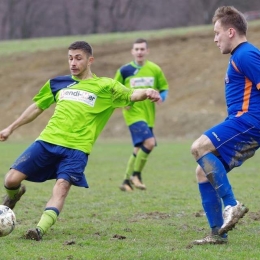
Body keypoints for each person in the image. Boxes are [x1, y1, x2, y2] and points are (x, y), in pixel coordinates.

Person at [0, 41, 160, 241]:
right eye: (70, 58)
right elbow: (36, 107)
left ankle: (38, 230)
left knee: (62, 186)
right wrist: (10, 128)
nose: (73, 63)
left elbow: (131, 95)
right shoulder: (57, 83)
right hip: (47, 141)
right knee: (11, 179)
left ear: (90, 60)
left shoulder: (106, 86)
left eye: (78, 58)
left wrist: (147, 92)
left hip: (77, 149)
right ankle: (13, 196)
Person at [191, 6, 260, 245]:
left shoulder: (245, 54)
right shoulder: (239, 56)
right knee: (202, 172)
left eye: (217, 32)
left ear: (231, 32)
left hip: (249, 122)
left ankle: (231, 205)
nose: (214, 38)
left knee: (199, 147)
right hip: (242, 122)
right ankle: (217, 234)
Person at [114, 38, 169, 192]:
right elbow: (113, 89)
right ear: (132, 52)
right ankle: (136, 175)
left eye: (142, 49)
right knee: (150, 142)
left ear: (147, 51)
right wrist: (121, 101)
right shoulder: (124, 71)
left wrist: (161, 97)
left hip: (149, 115)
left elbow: (164, 88)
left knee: (139, 148)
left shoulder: (155, 69)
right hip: (133, 114)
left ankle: (126, 181)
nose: (139, 52)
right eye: (136, 49)